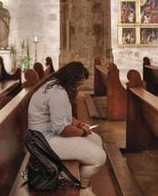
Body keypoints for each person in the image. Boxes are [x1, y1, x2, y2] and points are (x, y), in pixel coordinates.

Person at [28, 62, 106, 195]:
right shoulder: (57, 92)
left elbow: (67, 118)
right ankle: (80, 186)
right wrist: (82, 132)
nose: (79, 88)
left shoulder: (58, 87)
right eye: (79, 85)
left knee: (96, 140)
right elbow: (61, 129)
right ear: (71, 80)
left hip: (48, 135)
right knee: (99, 158)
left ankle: (77, 180)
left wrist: (81, 124)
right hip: (43, 141)